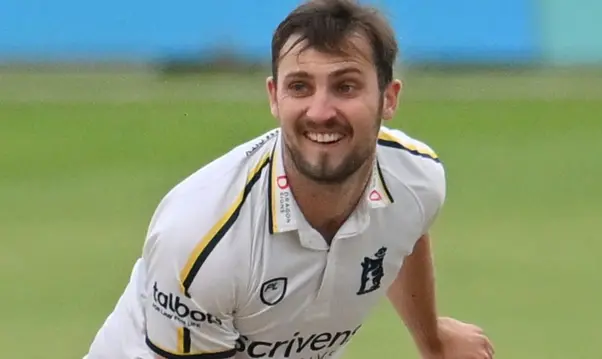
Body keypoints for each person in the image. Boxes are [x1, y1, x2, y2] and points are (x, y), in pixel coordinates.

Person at [83, 0, 495, 358]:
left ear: (389, 98)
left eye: (345, 87)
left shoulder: (415, 177)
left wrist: (432, 338)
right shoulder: (202, 237)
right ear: (274, 97)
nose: (320, 111)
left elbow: (406, 229)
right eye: (300, 87)